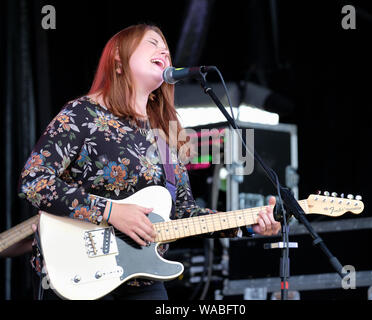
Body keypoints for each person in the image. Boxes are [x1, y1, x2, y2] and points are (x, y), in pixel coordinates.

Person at [18, 24, 281, 300]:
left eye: (166, 48)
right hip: (79, 274)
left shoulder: (166, 133)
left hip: (145, 284)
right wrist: (110, 212)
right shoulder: (81, 113)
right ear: (118, 58)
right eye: (153, 43)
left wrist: (247, 224)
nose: (164, 51)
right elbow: (34, 181)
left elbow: (182, 213)